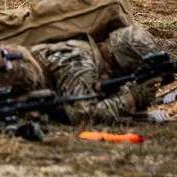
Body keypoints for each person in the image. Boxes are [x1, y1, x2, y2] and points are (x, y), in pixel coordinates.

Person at [30, 23, 161, 125]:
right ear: (117, 63)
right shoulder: (79, 62)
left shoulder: (98, 63)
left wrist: (137, 97)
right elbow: (82, 116)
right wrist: (132, 99)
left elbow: (108, 99)